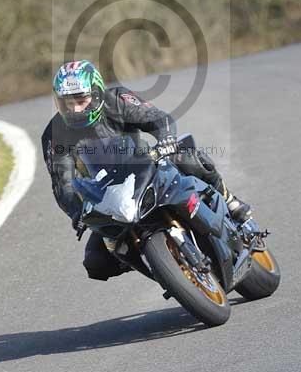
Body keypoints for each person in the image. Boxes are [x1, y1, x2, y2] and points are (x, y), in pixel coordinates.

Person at [41, 60, 253, 281]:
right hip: (105, 195)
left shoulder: (117, 100)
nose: (74, 109)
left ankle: (229, 200)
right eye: (66, 103)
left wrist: (166, 141)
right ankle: (161, 267)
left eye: (80, 100)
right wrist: (77, 211)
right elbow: (62, 183)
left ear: (95, 94)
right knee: (96, 262)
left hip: (145, 166)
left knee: (187, 157)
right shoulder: (55, 134)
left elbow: (158, 119)